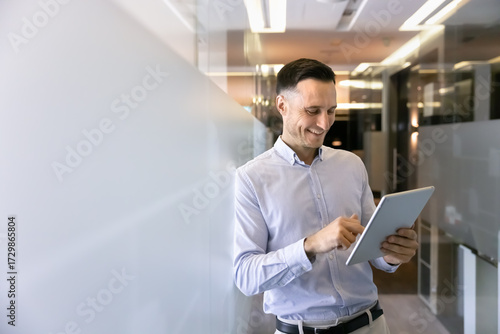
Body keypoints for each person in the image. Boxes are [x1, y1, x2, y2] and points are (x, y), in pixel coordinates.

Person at [233, 58, 418, 334]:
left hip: (370, 324)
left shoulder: (351, 165)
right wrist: (310, 245)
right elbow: (246, 276)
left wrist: (393, 253)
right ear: (282, 105)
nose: (324, 123)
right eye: (312, 110)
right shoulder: (252, 178)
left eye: (331, 111)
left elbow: (372, 247)